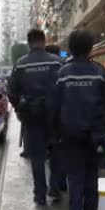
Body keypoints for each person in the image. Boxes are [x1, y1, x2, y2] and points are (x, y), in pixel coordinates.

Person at [52, 30, 105, 210]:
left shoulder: (62, 74)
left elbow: (54, 106)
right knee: (92, 178)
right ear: (91, 48)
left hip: (70, 135)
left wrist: (54, 134)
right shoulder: (100, 72)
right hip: (95, 136)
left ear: (70, 49)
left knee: (75, 179)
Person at [8, 29, 62, 205]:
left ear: (29, 43)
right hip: (55, 116)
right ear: (44, 41)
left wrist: (18, 108)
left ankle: (40, 194)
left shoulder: (21, 64)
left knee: (37, 156)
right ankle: (55, 189)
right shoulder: (57, 62)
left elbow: (11, 91)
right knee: (56, 153)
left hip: (31, 116)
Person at [45, 44, 67, 193]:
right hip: (66, 119)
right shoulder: (64, 68)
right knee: (63, 153)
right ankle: (60, 184)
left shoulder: (50, 72)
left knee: (55, 155)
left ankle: (55, 186)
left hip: (52, 119)